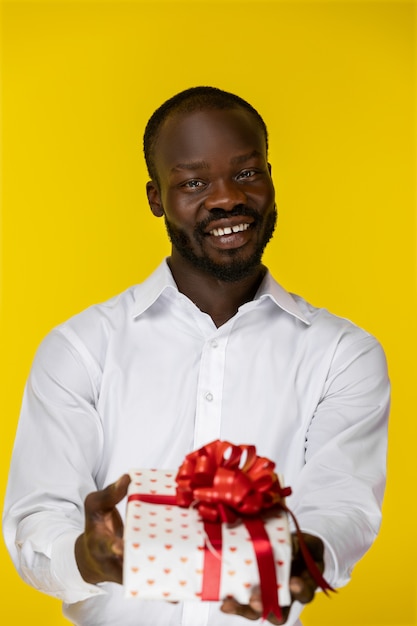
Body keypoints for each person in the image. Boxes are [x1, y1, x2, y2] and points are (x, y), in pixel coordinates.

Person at [3, 86, 390, 626]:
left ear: (272, 178)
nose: (227, 197)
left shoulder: (343, 355)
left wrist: (308, 555)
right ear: (156, 198)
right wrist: (87, 558)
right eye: (193, 181)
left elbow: (343, 504)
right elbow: (39, 517)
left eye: (248, 172)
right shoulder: (80, 349)